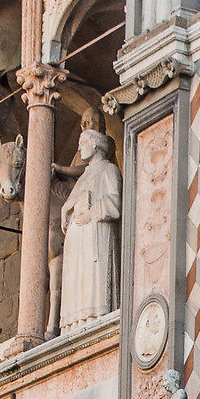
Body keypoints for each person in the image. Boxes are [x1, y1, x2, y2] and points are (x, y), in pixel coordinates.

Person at [59, 128, 121, 329]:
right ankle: (75, 324)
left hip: (96, 233)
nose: (79, 148)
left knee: (95, 288)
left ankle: (95, 319)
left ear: (95, 144)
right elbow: (70, 203)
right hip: (78, 241)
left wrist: (92, 213)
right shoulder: (85, 175)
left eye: (83, 142)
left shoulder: (108, 170)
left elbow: (116, 202)